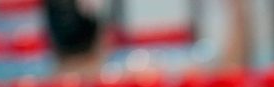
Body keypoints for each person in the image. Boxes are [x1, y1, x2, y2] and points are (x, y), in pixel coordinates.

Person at [44, 0, 251, 77]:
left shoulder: (39, 85)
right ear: (104, 34)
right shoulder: (128, 76)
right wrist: (239, 11)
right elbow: (229, 71)